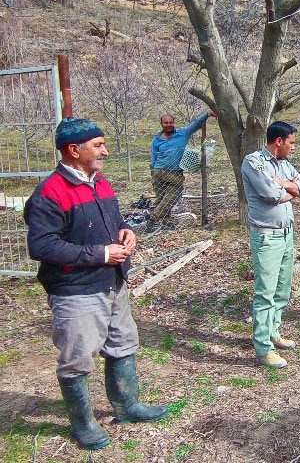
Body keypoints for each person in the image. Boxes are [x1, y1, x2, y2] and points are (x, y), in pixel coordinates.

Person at [24, 117, 169, 450]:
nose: (105, 150)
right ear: (75, 150)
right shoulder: (49, 192)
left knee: (122, 344)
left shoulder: (100, 181)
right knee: (77, 357)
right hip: (75, 290)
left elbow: (113, 219)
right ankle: (84, 423)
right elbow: (42, 246)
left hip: (112, 283)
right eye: (98, 145)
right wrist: (102, 253)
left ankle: (127, 405)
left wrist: (126, 229)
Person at [241, 121, 300, 369]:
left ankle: (274, 332)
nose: (293, 147)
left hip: (286, 234)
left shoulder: (283, 164)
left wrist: (285, 185)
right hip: (266, 236)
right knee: (265, 292)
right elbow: (270, 194)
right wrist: (289, 189)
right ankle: (263, 348)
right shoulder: (254, 162)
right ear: (279, 141)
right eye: (291, 142)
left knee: (282, 289)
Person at [149, 110, 215, 229]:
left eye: (170, 122)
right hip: (158, 172)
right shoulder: (156, 140)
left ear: (174, 123)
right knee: (162, 198)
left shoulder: (183, 133)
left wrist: (207, 114)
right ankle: (167, 223)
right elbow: (153, 157)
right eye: (166, 123)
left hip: (174, 172)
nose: (168, 125)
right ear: (161, 124)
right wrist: (153, 173)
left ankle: (152, 218)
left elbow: (195, 124)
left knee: (171, 197)